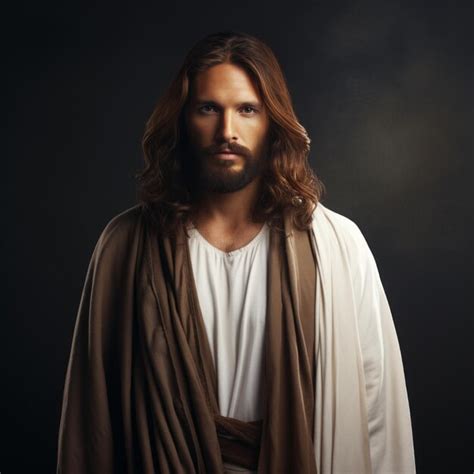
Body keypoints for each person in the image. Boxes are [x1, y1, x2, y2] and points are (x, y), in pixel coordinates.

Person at [57, 31, 416, 474]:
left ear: (272, 122)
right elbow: (93, 419)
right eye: (209, 109)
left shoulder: (338, 247)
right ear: (184, 120)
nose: (227, 131)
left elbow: (376, 412)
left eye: (247, 110)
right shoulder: (125, 247)